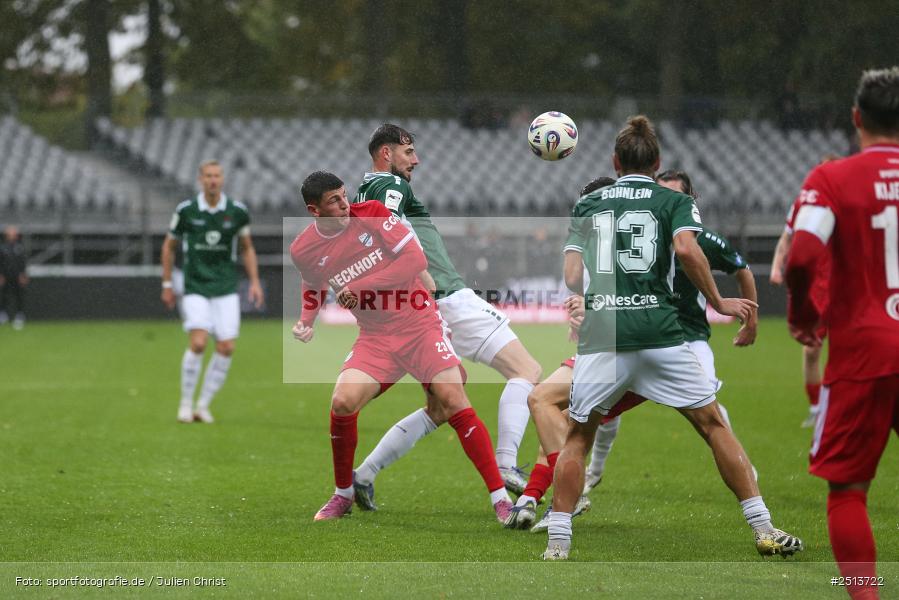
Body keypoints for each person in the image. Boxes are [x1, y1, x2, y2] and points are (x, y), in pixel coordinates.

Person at [543, 115, 802, 561]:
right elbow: (686, 249)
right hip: (662, 333)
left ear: (615, 161)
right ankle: (764, 527)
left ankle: (558, 544)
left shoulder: (588, 203)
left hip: (605, 337)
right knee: (713, 424)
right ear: (657, 161)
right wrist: (719, 302)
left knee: (577, 437)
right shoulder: (672, 200)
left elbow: (571, 276)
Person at [510, 172, 760, 532]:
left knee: (708, 413)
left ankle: (556, 497)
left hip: (674, 341)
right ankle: (541, 494)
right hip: (621, 338)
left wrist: (739, 313)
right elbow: (601, 288)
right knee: (554, 411)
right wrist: (586, 309)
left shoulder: (684, 236)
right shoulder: (621, 237)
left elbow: (737, 267)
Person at [290, 171, 513, 523]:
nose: (345, 204)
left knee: (452, 399)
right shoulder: (303, 248)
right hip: (376, 336)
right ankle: (343, 494)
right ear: (314, 210)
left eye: (344, 195)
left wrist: (361, 286)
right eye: (334, 201)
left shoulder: (374, 213)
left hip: (419, 324)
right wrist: (306, 319)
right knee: (342, 401)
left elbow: (415, 262)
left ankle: (501, 499)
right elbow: (312, 283)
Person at [350, 124, 542, 508]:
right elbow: (386, 229)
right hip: (447, 297)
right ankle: (506, 465)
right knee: (527, 371)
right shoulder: (390, 187)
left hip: (417, 310)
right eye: (408, 152)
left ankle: (364, 475)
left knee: (439, 408)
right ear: (386, 154)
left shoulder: (362, 192)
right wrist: (417, 274)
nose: (415, 160)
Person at [786, 66, 899, 600]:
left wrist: (805, 312)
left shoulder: (831, 178)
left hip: (864, 352)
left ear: (857, 118)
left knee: (848, 491)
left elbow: (804, 253)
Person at [160, 160, 264, 424]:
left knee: (226, 347)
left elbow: (246, 247)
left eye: (217, 176)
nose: (213, 180)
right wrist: (167, 283)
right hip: (195, 285)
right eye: (208, 176)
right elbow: (169, 247)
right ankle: (185, 403)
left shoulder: (237, 212)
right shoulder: (186, 211)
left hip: (226, 287)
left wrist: (254, 281)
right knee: (198, 342)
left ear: (223, 179)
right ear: (200, 179)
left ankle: (202, 405)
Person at [771, 154, 839, 427]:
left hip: (843, 286)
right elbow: (787, 237)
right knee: (812, 349)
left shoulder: (848, 200)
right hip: (816, 286)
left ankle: (843, 407)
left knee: (848, 349)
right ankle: (816, 407)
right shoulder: (803, 203)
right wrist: (777, 267)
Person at [0, 225, 28, 330]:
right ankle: (3, 314)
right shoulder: (2, 247)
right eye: (10, 233)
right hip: (6, 275)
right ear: (7, 235)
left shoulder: (20, 247)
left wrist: (23, 274)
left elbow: (23, 262)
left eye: (14, 233)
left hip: (17, 276)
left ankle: (19, 316)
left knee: (19, 296)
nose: (12, 235)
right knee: (4, 295)